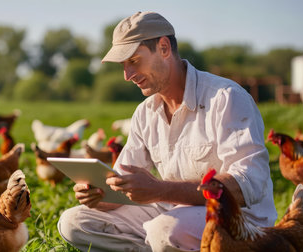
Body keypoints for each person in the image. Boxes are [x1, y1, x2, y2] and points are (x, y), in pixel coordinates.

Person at [58, 11, 277, 252]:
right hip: (172, 213)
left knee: (163, 230)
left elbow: (248, 184)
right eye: (123, 65)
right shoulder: (145, 113)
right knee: (74, 222)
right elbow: (122, 185)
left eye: (133, 61)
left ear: (163, 48)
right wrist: (100, 196)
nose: (127, 76)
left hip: (238, 221)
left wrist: (161, 190)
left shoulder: (226, 98)